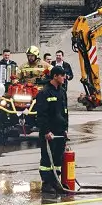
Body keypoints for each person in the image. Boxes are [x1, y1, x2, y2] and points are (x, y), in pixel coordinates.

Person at [34, 65, 70, 196]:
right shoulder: (44, 93)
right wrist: (46, 132)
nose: (64, 78)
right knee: (46, 159)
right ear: (55, 76)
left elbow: (65, 112)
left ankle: (56, 181)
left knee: (57, 158)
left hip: (60, 131)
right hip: (49, 132)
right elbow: (41, 115)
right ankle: (46, 183)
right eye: (62, 76)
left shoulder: (62, 92)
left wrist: (65, 129)